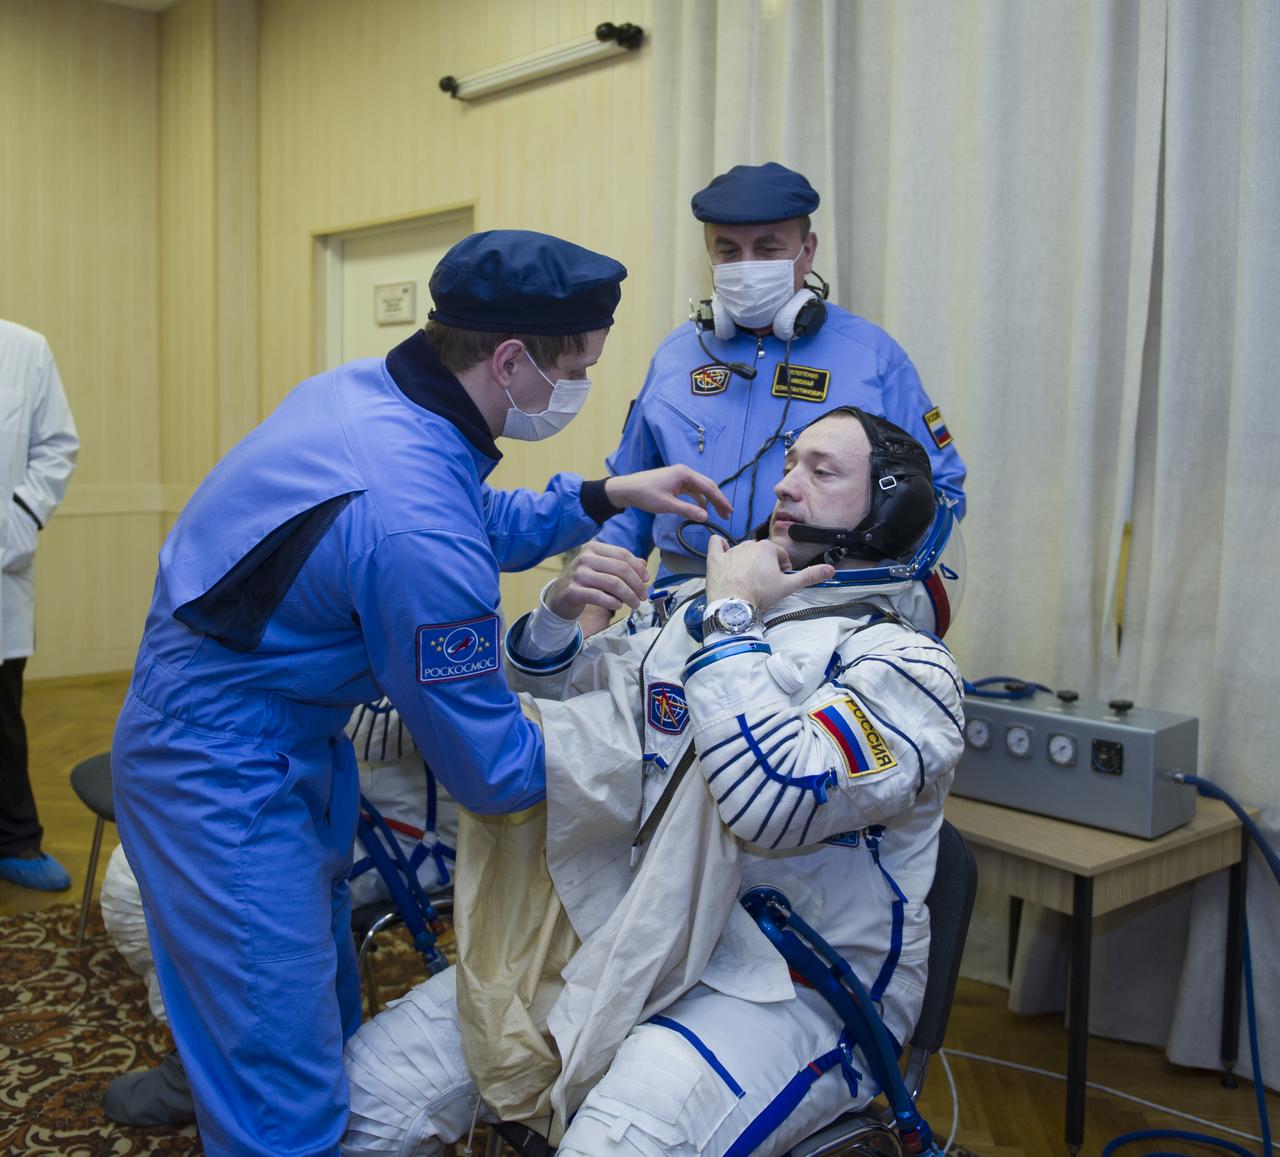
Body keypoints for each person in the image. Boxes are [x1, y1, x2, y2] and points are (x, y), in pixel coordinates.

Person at [110, 229, 730, 1156]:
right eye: (580, 370)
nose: (581, 389)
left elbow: (475, 511)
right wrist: (639, 769)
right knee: (275, 1052)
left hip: (268, 727)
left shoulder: (370, 395)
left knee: (309, 990)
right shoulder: (411, 526)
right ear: (512, 359)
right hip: (220, 761)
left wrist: (603, 493)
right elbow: (490, 770)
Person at [341, 407, 965, 1157]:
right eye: (790, 462)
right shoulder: (692, 610)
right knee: (369, 1095)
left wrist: (732, 617)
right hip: (632, 930)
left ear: (891, 508)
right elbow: (561, 722)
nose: (787, 485)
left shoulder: (904, 669)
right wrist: (556, 615)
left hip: (789, 986)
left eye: (821, 471)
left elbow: (772, 801)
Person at [588, 161, 966, 626]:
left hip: (824, 610)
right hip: (683, 609)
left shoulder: (872, 357)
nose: (747, 266)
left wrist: (856, 579)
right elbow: (631, 500)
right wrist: (594, 612)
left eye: (767, 249)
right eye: (728, 250)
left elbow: (938, 492)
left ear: (806, 252)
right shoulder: (676, 356)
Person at [99, 697, 457, 1128]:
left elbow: (379, 730)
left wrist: (289, 679)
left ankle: (224, 1069)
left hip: (410, 841)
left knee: (145, 886)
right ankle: (209, 1053)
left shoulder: (459, 632)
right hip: (327, 792)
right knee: (152, 866)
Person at [0, 319, 79, 892]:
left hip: (2, 562)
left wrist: (19, 520)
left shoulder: (24, 349)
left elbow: (56, 446)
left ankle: (15, 839)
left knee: (2, 715)